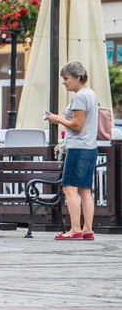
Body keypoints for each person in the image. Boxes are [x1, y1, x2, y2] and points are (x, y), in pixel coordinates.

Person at [46, 61, 98, 240]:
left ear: (78, 78)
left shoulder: (79, 97)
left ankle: (75, 228)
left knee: (69, 188)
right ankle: (87, 229)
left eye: (66, 78)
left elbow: (77, 125)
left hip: (78, 147)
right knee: (85, 190)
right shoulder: (91, 93)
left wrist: (57, 119)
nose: (64, 82)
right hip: (90, 146)